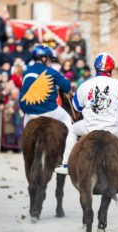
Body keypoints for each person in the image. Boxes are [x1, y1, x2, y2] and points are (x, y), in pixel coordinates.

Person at [61, 52, 118, 183]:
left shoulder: (85, 85)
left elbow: (76, 107)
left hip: (88, 127)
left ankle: (65, 164)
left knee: (73, 130)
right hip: (113, 128)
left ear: (96, 68)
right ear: (111, 69)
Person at [19, 45, 76, 174]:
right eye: (50, 59)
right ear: (43, 58)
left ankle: (26, 152)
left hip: (29, 113)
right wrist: (64, 80)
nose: (50, 62)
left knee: (26, 124)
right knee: (68, 119)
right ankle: (66, 162)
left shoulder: (26, 72)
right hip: (49, 110)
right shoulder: (50, 71)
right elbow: (67, 87)